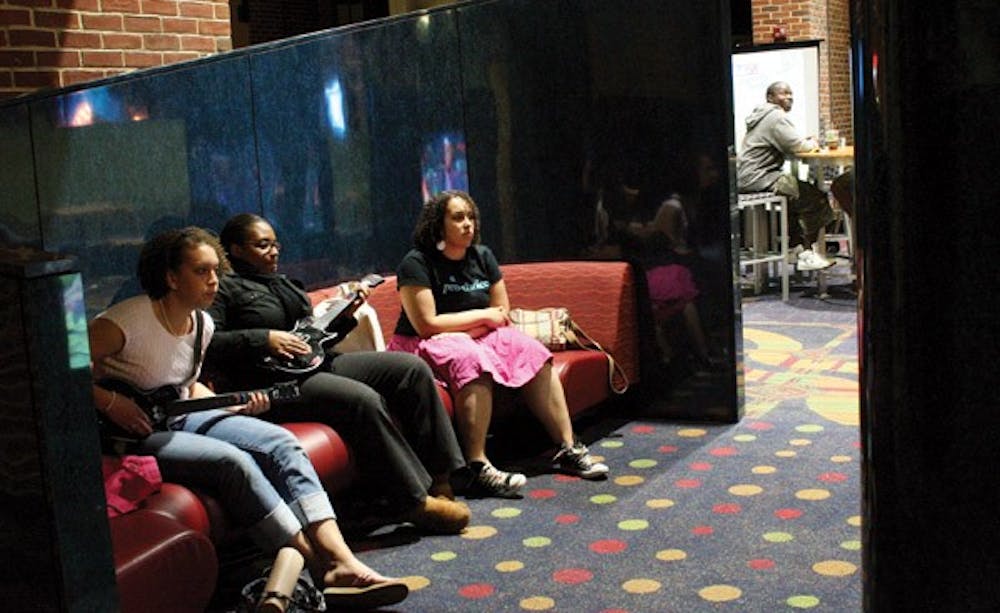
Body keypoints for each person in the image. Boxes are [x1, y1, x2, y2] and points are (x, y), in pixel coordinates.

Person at [88, 226, 408, 610]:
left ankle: (341, 559)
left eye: (215, 271)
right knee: (232, 461)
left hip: (178, 414)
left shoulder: (201, 324)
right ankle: (315, 561)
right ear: (171, 277)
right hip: (130, 433)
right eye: (200, 272)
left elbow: (186, 387)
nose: (212, 282)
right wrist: (108, 401)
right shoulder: (129, 319)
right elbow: (60, 360)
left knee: (281, 442)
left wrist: (229, 405)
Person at [206, 213, 470, 534]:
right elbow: (208, 343)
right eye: (262, 245)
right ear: (235, 250)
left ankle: (441, 479)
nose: (274, 252)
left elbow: (317, 337)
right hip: (274, 381)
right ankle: (412, 503)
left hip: (317, 362)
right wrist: (265, 338)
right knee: (361, 400)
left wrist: (345, 315)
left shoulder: (284, 284)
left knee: (410, 369)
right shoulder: (222, 291)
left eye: (275, 244)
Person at [386, 190, 609, 498]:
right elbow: (428, 324)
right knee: (469, 358)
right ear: (438, 224)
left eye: (471, 217)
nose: (468, 224)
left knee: (531, 350)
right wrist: (483, 318)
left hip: (477, 336)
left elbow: (502, 315)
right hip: (422, 343)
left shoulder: (483, 256)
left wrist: (477, 326)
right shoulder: (417, 262)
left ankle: (568, 447)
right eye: (458, 217)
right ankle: (477, 465)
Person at [737, 81, 836, 271]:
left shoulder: (762, 116)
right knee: (815, 197)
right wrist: (812, 142)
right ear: (770, 98)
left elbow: (789, 142)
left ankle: (797, 248)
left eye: (791, 93)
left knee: (795, 196)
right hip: (760, 178)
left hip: (749, 177)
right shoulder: (775, 117)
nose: (789, 97)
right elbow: (797, 146)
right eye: (784, 93)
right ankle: (805, 253)